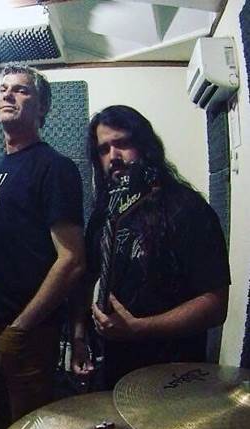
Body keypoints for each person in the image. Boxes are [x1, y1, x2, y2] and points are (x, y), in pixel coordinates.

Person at [0, 63, 86, 429]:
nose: (8, 94)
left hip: (28, 333)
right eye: (3, 89)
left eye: (21, 90)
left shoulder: (56, 168)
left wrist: (20, 328)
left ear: (42, 107)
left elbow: (71, 259)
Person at [70, 105, 231, 389]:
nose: (113, 156)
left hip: (173, 376)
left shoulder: (187, 208)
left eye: (122, 143)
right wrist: (79, 338)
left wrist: (138, 329)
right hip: (114, 375)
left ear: (145, 146)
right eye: (104, 149)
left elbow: (215, 305)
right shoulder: (103, 215)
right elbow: (87, 279)